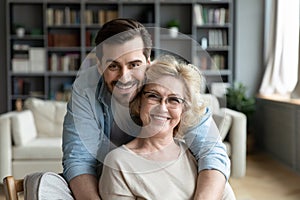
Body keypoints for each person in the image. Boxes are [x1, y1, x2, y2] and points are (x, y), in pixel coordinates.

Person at [33, 18, 230, 199]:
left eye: (134, 64)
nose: (124, 77)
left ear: (148, 61)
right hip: (109, 181)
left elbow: (211, 152)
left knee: (220, 187)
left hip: (164, 176)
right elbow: (79, 161)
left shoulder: (171, 81)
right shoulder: (86, 89)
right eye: (113, 66)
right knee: (45, 185)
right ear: (100, 66)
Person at [99, 55, 236, 199]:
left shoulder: (200, 158)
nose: (162, 107)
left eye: (174, 100)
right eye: (153, 96)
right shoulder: (118, 163)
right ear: (139, 102)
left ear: (183, 109)